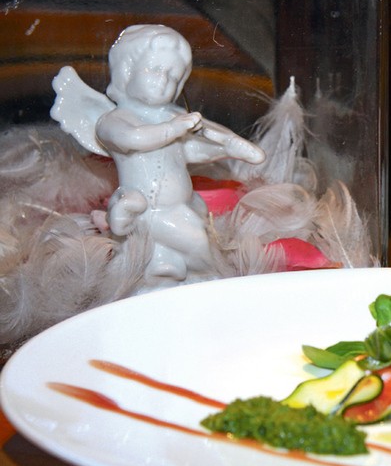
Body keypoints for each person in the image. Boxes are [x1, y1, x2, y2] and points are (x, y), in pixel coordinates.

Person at [51, 24, 265, 287]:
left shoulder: (170, 118)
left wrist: (226, 148)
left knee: (175, 255)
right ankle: (208, 284)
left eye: (173, 77)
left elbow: (189, 149)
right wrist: (174, 128)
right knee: (197, 244)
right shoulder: (115, 119)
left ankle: (176, 281)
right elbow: (133, 139)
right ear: (127, 71)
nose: (163, 81)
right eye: (155, 70)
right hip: (148, 210)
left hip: (181, 207)